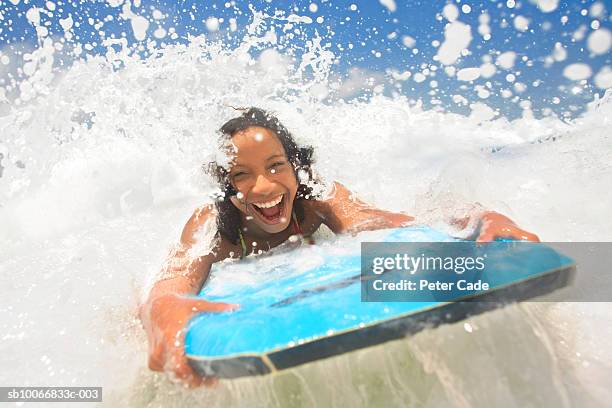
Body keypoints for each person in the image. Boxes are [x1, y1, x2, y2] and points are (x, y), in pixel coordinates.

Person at [139, 107, 540, 387]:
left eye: (276, 166)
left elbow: (395, 220)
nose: (262, 187)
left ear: (296, 168)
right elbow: (172, 276)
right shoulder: (216, 225)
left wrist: (476, 219)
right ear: (227, 187)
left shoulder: (318, 203)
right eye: (242, 176)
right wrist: (164, 307)